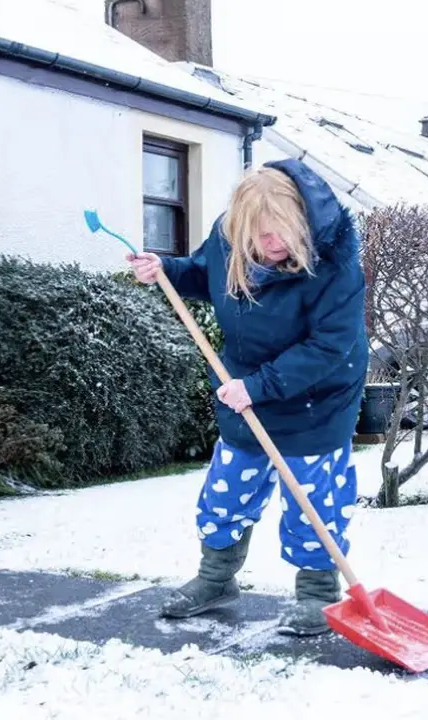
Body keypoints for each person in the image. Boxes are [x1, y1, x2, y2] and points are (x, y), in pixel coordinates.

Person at [127, 158, 368, 636]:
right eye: (256, 236)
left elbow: (328, 345)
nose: (267, 245)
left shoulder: (334, 263)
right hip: (243, 388)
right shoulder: (230, 236)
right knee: (227, 490)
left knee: (312, 500)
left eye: (278, 234)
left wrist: (258, 387)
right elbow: (202, 273)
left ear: (299, 223)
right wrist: (166, 270)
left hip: (315, 400)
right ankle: (216, 579)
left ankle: (318, 595)